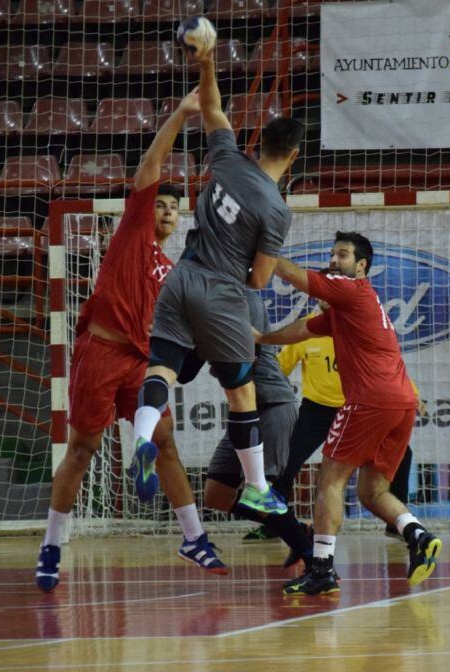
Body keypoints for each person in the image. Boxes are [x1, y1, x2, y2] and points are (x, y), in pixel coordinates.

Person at [35, 90, 226, 593]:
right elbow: (150, 164)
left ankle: (194, 537)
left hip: (143, 362)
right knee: (82, 450)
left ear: (179, 219)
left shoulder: (176, 270)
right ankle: (52, 543)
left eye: (171, 209)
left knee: (166, 445)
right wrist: (183, 114)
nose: (164, 211)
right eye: (159, 203)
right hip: (102, 352)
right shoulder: (132, 232)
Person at [126, 34, 306, 519]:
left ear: (259, 143)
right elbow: (259, 281)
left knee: (161, 367)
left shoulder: (226, 159)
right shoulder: (276, 209)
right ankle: (255, 486)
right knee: (241, 391)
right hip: (222, 291)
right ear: (291, 158)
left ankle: (140, 440)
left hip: (181, 276)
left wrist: (205, 62)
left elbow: (212, 108)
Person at [255, 232, 442, 595]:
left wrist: (262, 248)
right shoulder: (350, 308)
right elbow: (302, 330)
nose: (333, 260)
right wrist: (261, 338)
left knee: (330, 482)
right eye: (331, 254)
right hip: (400, 403)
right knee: (372, 492)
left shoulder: (349, 289)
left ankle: (322, 568)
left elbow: (294, 276)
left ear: (361, 267)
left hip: (369, 400)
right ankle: (418, 536)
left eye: (342, 255)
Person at [243, 313, 423, 542]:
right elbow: (280, 369)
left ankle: (395, 524)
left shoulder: (362, 324)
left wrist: (413, 392)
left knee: (403, 455)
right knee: (286, 461)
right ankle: (275, 524)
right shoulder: (305, 329)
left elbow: (387, 363)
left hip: (358, 408)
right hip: (317, 410)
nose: (327, 298)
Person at [200, 290, 312, 561]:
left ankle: (316, 561)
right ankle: (297, 532)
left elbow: (244, 358)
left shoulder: (243, 295)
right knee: (215, 494)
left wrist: (193, 342)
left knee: (260, 495)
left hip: (272, 405)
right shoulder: (206, 298)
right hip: (245, 411)